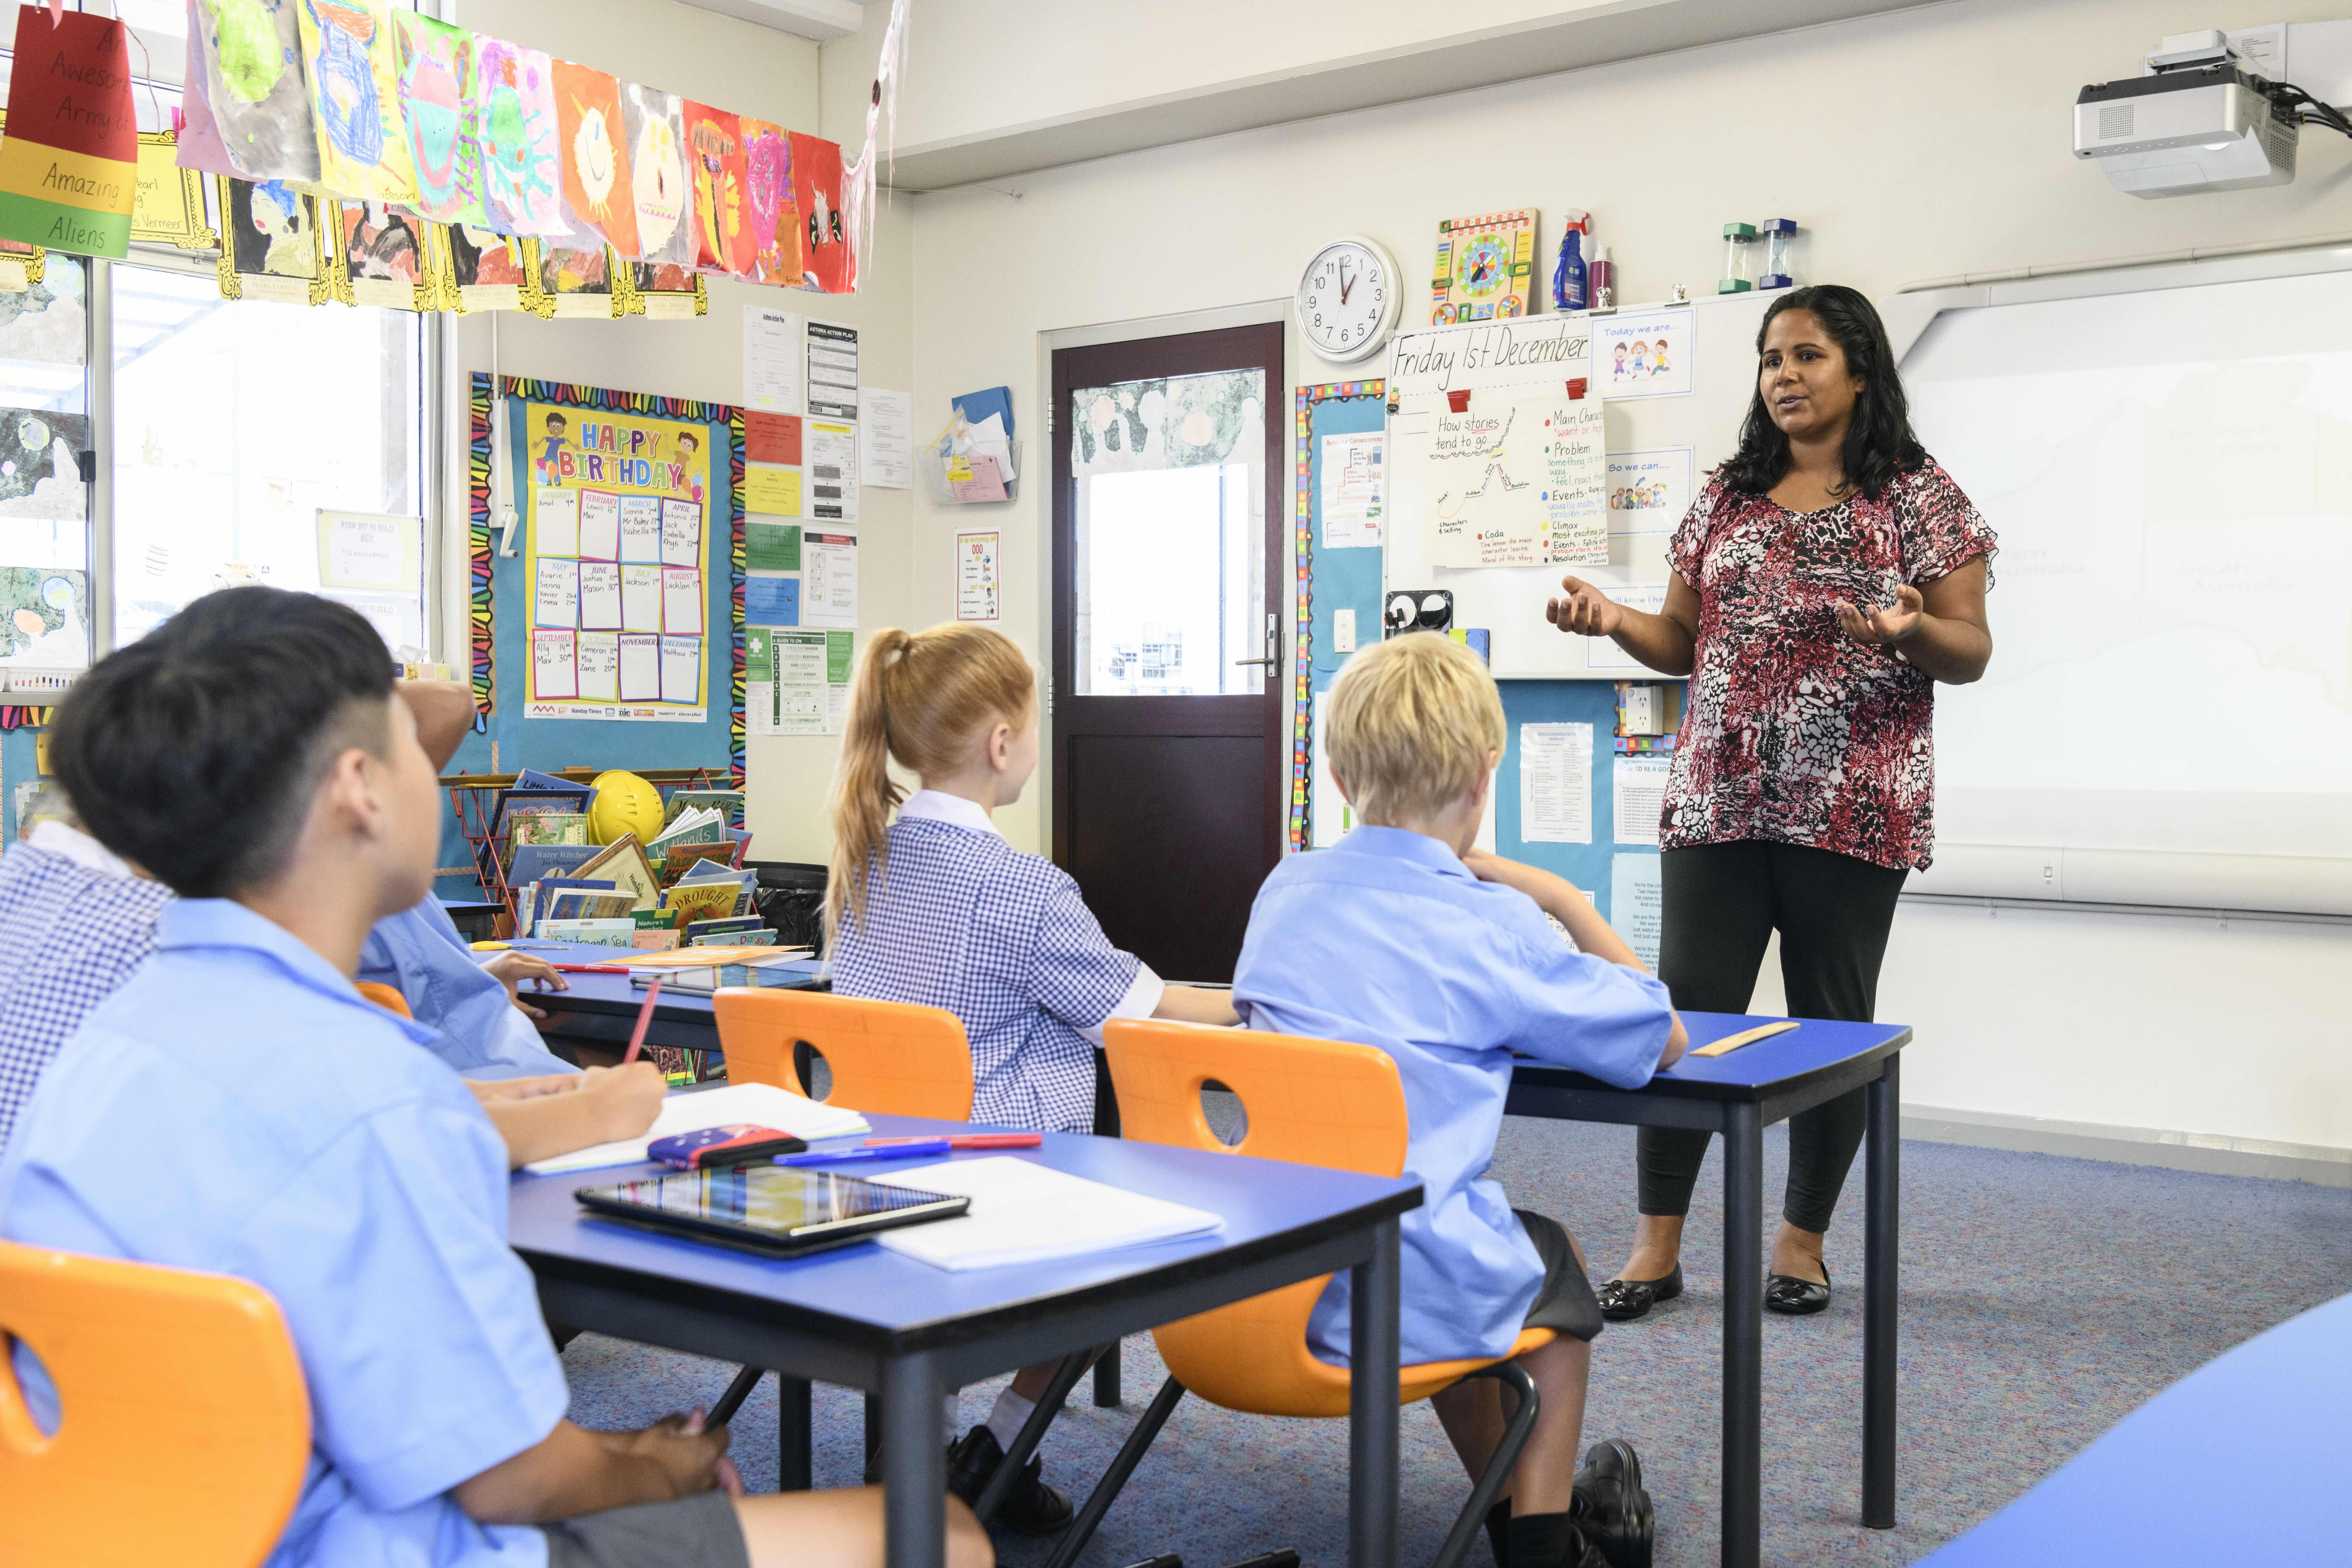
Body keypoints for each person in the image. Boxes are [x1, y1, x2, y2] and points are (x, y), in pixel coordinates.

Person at [0, 587, 989, 1568]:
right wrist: (659, 1475)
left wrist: (618, 1452)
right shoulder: (373, 1093)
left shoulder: (108, 1048)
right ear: (360, 787)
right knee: (940, 1532)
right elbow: (514, 1481)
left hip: (135, 1530)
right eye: (407, 738)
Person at [1547, 284, 1995, 1320]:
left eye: (1805, 356)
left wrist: (1907, 632)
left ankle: (1800, 1241)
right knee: (1678, 1019)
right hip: (1717, 796)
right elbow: (1679, 640)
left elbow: (1968, 649)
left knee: (1827, 1023)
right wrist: (1613, 618)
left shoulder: (1919, 496)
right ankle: (1656, 1244)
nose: (1783, 376)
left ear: (1858, 371)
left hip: (1852, 803)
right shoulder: (1724, 495)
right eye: (1768, 360)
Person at [1234, 632, 1685, 1568]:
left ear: (1337, 769)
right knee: (1540, 1270)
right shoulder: (1492, 921)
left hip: (1255, 1277)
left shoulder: (1283, 888)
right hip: (1400, 1280)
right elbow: (1658, 1030)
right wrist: (1561, 896)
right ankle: (1537, 1547)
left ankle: (1509, 1505)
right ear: (1486, 774)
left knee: (1461, 1243)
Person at [823, 621, 1240, 1535]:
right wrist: (1257, 1001)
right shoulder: (1021, 888)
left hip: (868, 1185)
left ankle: (925, 1451)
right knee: (1131, 1250)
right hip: (995, 1190)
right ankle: (995, 1455)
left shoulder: (860, 863)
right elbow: (1142, 1010)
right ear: (1002, 743)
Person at [0, 679, 662, 1172]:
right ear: (350, 784)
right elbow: (382, 1122)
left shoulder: (40, 882)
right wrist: (588, 1109)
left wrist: (553, 1094)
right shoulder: (215, 950)